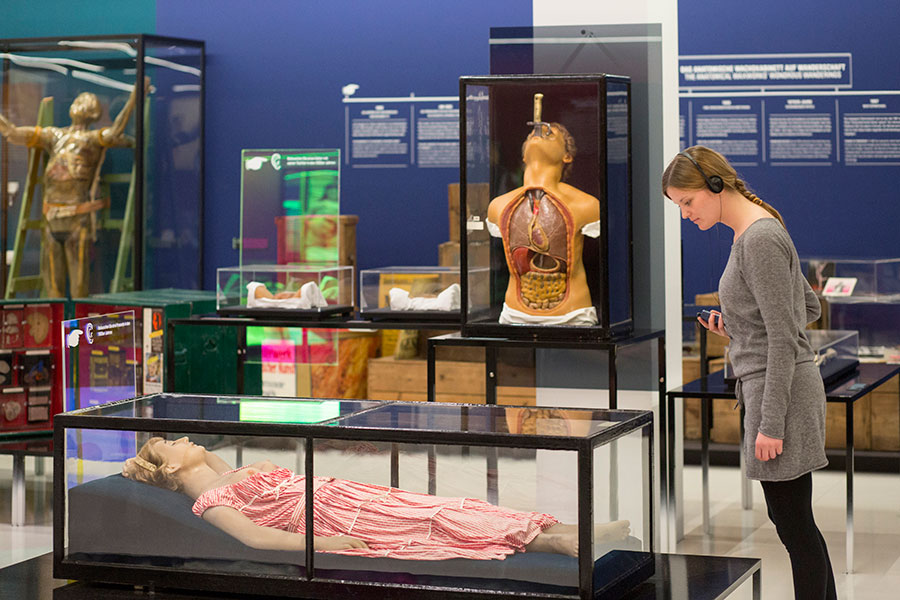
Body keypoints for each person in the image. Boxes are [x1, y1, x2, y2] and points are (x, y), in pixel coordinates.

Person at [662, 146, 836, 600]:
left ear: (715, 186)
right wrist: (738, 325)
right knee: (795, 524)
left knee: (795, 529)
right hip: (777, 387)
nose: (685, 214)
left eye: (687, 201)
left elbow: (783, 337)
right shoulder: (758, 230)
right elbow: (809, 308)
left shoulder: (757, 238)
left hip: (779, 397)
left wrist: (770, 423)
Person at [122, 436, 630, 560]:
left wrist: (185, 458)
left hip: (347, 494)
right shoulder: (209, 501)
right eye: (172, 442)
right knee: (437, 526)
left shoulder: (222, 474)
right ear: (167, 465)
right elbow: (256, 538)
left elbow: (211, 462)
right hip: (336, 518)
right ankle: (560, 544)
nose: (186, 440)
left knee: (451, 508)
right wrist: (329, 544)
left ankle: (568, 531)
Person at [0, 78, 148, 297]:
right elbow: (12, 133)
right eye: (78, 101)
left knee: (79, 289)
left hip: (77, 222)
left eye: (85, 102)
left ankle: (76, 329)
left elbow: (116, 132)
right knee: (53, 290)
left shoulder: (93, 139)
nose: (79, 104)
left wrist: (135, 97)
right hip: (51, 219)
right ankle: (55, 330)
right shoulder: (54, 135)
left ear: (93, 112)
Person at [486, 94, 600, 326]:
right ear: (524, 154)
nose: (539, 133)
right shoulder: (498, 207)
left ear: (567, 156)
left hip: (572, 315)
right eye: (532, 134)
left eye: (551, 133)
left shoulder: (587, 206)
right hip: (514, 315)